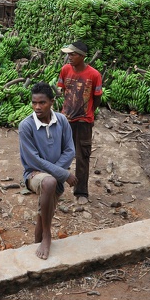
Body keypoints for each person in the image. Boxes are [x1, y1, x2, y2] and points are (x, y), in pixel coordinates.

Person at [19, 82, 76, 260]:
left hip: (53, 172)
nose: (37, 107)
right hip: (34, 174)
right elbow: (33, 160)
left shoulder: (61, 121)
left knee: (44, 211)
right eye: (34, 103)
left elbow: (70, 150)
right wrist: (63, 174)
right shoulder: (26, 126)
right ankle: (47, 236)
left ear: (52, 102)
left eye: (42, 103)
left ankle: (38, 243)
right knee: (49, 183)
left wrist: (57, 171)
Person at [57, 41, 102, 206]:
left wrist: (88, 112)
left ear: (82, 56)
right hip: (65, 120)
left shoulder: (94, 75)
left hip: (84, 122)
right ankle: (56, 187)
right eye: (68, 54)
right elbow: (62, 90)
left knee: (82, 156)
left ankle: (81, 191)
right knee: (60, 154)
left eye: (72, 54)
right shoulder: (65, 70)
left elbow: (97, 98)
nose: (69, 57)